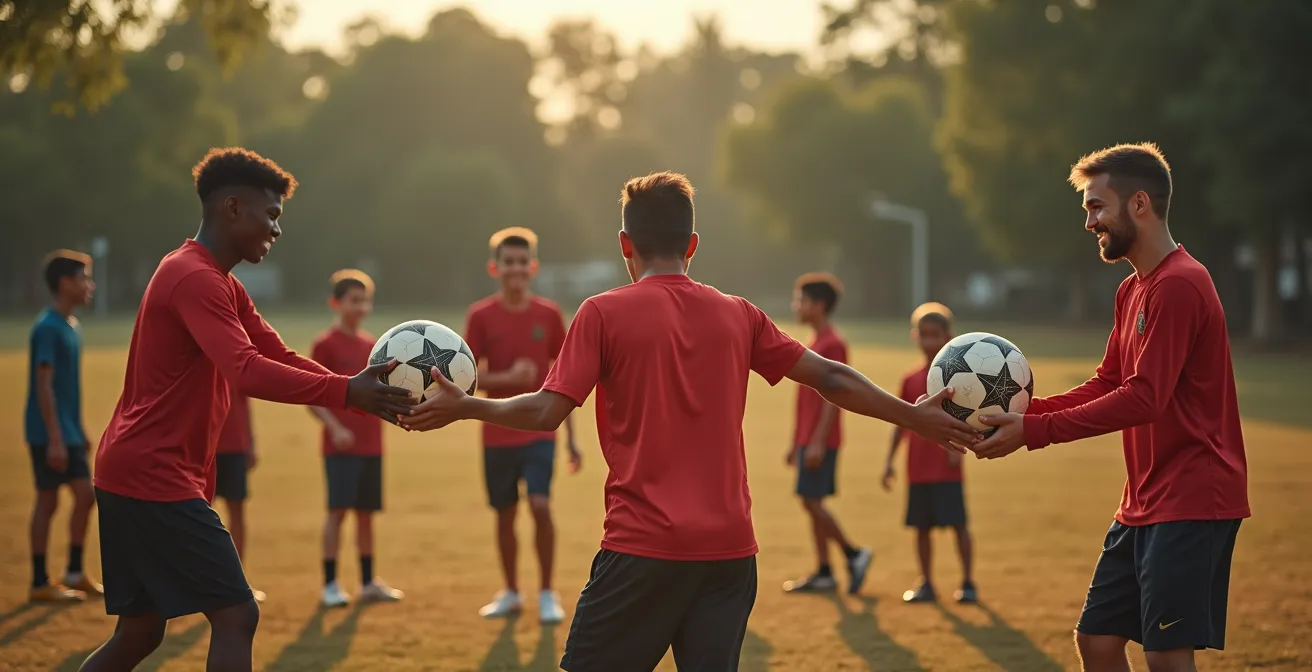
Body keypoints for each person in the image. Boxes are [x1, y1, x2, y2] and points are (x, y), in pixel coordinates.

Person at [400, 171, 979, 671]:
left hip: (643, 548)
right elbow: (830, 376)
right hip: (730, 554)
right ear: (693, 244)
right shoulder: (739, 314)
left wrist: (466, 405)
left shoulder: (602, 312)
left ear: (625, 243)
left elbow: (546, 410)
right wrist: (912, 417)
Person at [80, 147, 414, 672]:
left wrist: (356, 390)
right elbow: (246, 370)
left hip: (138, 471)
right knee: (236, 614)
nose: (277, 230)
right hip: (152, 474)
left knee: (140, 633)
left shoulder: (221, 282)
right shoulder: (195, 278)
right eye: (272, 214)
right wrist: (348, 392)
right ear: (233, 208)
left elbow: (276, 355)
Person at [972, 143, 1249, 672]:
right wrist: (1021, 417)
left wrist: (1036, 431)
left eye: (1097, 207)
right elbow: (1110, 381)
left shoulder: (1181, 284)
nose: (1090, 222)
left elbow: (1145, 397)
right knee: (1097, 640)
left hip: (1193, 496)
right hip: (1144, 499)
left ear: (1139, 204)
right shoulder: (1133, 289)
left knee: (1166, 656)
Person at [464, 227, 580, 624]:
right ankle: (511, 592)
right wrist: (507, 378)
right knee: (504, 513)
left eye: (522, 262)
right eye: (507, 262)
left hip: (539, 430)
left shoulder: (548, 315)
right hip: (496, 431)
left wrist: (573, 439)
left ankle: (547, 592)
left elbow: (568, 378)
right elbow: (466, 378)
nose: (515, 269)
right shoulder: (480, 316)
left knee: (540, 504)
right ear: (494, 268)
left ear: (533, 267)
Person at [310, 269, 404, 608]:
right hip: (341, 447)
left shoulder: (374, 346)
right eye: (354, 300)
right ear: (336, 303)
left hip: (371, 445)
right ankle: (331, 583)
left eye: (365, 300)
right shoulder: (325, 344)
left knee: (366, 514)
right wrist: (335, 427)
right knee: (337, 512)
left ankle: (367, 583)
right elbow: (312, 396)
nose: (361, 307)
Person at [782, 272, 873, 595]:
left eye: (801, 300)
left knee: (812, 502)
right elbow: (805, 401)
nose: (796, 306)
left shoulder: (833, 344)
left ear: (818, 305)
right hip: (809, 439)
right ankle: (824, 571)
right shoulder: (816, 343)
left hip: (822, 440)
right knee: (810, 501)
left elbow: (833, 400)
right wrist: (797, 442)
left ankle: (854, 554)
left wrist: (818, 440)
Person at [881, 302, 976, 604]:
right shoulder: (910, 380)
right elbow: (901, 422)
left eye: (936, 335)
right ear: (915, 336)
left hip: (945, 465)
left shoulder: (958, 380)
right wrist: (888, 462)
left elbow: (967, 418)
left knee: (958, 525)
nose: (929, 342)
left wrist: (958, 452)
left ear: (948, 336)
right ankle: (927, 583)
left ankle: (968, 582)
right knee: (921, 528)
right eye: (924, 335)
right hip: (917, 467)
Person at [25, 249, 101, 603]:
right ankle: (40, 581)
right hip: (48, 432)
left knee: (81, 497)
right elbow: (44, 385)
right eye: (84, 278)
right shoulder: (48, 328)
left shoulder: (72, 327)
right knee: (52, 499)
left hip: (66, 430)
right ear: (64, 283)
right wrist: (55, 437)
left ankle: (73, 572)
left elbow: (68, 390)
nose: (90, 285)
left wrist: (78, 430)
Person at [214, 388, 264, 603]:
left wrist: (250, 443)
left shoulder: (235, 357)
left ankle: (237, 581)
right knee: (197, 512)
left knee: (237, 512)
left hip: (234, 445)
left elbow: (245, 403)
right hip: (204, 446)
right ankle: (195, 582)